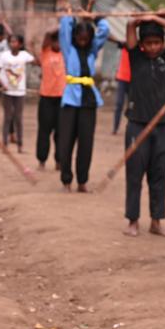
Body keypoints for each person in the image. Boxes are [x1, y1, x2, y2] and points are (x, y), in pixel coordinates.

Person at [122, 13, 165, 237]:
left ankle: (156, 221)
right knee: (135, 174)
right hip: (137, 124)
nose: (153, 47)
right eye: (148, 43)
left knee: (159, 174)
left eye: (157, 42)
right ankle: (133, 220)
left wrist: (157, 19)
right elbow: (130, 24)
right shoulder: (135, 57)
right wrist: (143, 18)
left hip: (163, 126)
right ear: (141, 44)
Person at [56, 12, 110, 193]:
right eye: (80, 37)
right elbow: (64, 25)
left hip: (89, 102)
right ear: (75, 36)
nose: (83, 40)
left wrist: (96, 18)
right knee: (65, 143)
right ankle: (66, 180)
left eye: (86, 38)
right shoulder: (68, 48)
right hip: (70, 101)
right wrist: (74, 15)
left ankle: (82, 181)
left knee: (86, 144)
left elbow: (105, 30)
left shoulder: (93, 50)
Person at [0, 34, 35, 154]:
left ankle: (20, 145)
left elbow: (37, 62)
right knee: (7, 118)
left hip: (20, 92)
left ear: (20, 44)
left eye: (15, 42)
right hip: (7, 92)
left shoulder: (24, 55)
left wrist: (32, 48)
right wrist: (3, 85)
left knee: (18, 119)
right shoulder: (4, 56)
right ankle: (5, 145)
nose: (13, 44)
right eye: (11, 41)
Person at [35, 31, 65, 171]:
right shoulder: (45, 52)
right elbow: (47, 35)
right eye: (55, 41)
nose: (57, 44)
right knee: (44, 132)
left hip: (62, 99)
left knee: (61, 132)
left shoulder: (65, 54)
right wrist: (62, 24)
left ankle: (59, 160)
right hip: (46, 98)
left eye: (60, 41)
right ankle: (42, 160)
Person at [112, 44, 131, 134]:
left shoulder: (140, 46)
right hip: (122, 77)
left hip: (133, 79)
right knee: (119, 104)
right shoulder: (123, 44)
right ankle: (115, 128)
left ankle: (130, 128)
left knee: (132, 106)